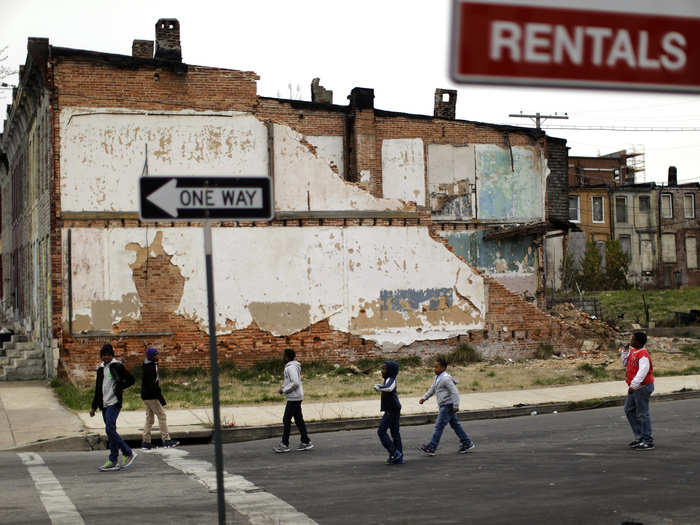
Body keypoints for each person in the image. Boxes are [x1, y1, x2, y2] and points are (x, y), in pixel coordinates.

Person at [90, 343, 137, 471]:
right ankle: (113, 460)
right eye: (103, 355)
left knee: (110, 429)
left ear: (112, 355)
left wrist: (119, 387)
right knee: (110, 432)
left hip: (114, 402)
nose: (106, 357)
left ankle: (128, 452)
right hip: (104, 404)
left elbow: (131, 380)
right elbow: (98, 389)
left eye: (108, 355)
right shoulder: (100, 369)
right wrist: (93, 407)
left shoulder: (117, 366)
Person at [417, 356, 475, 456]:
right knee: (455, 425)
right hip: (445, 405)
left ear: (443, 368)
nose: (435, 369)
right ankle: (467, 442)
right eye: (434, 367)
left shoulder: (445, 379)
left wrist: (456, 405)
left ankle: (432, 447)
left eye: (437, 367)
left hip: (447, 405)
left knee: (438, 426)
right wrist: (424, 398)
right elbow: (432, 390)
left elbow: (454, 392)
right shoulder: (437, 378)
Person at [274, 348, 313, 453]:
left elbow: (295, 382)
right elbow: (290, 381)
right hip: (295, 396)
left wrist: (284, 390)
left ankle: (284, 444)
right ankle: (306, 441)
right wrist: (283, 387)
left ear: (287, 357)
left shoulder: (291, 367)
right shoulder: (292, 367)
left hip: (294, 397)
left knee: (286, 419)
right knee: (298, 420)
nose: (282, 357)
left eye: (283, 355)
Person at [621, 332, 655, 450]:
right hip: (635, 387)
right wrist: (625, 351)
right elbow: (625, 363)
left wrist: (634, 385)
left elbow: (643, 371)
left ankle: (648, 440)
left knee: (642, 413)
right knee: (629, 410)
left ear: (638, 342)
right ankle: (639, 437)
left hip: (642, 387)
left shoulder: (643, 354)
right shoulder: (633, 352)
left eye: (633, 339)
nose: (631, 341)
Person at [140, 346, 179, 450]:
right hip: (151, 396)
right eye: (156, 354)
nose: (158, 356)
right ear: (151, 356)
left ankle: (146, 442)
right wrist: (160, 398)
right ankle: (166, 440)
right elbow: (152, 385)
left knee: (150, 419)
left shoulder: (151, 364)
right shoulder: (150, 367)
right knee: (162, 416)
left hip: (146, 395)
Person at [374, 360, 403, 464]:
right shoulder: (388, 379)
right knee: (395, 433)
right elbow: (386, 387)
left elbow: (389, 388)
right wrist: (381, 386)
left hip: (392, 410)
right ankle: (399, 457)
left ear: (390, 371)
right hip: (392, 409)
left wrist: (379, 387)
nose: (382, 371)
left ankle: (395, 453)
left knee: (381, 431)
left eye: (384, 369)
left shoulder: (391, 379)